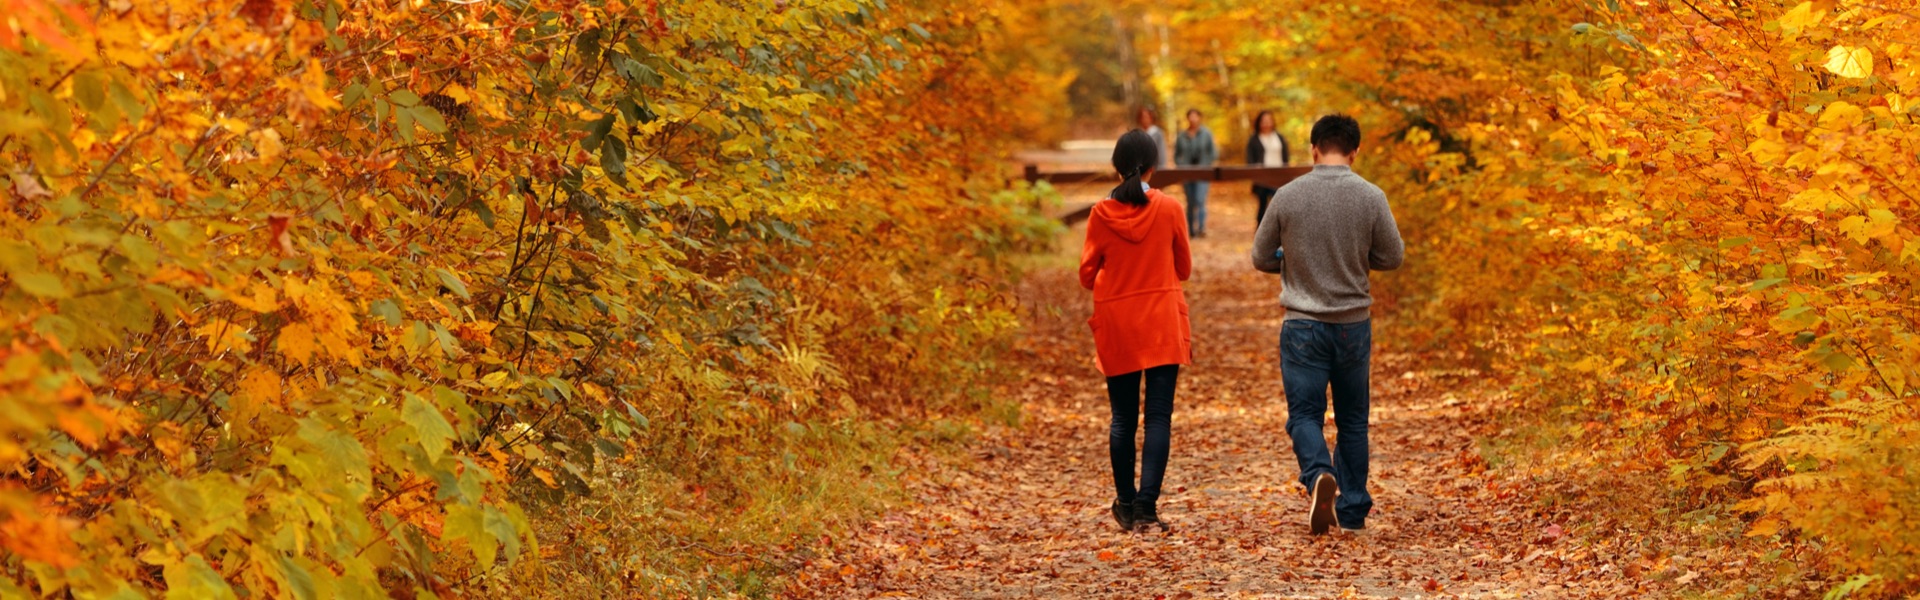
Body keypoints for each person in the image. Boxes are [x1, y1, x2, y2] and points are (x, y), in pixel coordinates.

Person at [1248, 114, 1403, 535]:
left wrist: (1290, 258)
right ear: (1355, 151)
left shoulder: (1287, 196)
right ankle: (1352, 512)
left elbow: (1261, 256)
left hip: (1302, 326)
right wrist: (1355, 258)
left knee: (1304, 416)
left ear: (1313, 148)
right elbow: (1392, 256)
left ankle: (1318, 475)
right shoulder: (1371, 196)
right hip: (1354, 325)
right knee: (1353, 420)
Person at [1079, 129, 1193, 533]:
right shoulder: (1170, 208)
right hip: (1161, 318)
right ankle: (1147, 508)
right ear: (1153, 167)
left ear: (1115, 166)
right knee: (1158, 417)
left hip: (1119, 323)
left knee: (1123, 418)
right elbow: (1183, 269)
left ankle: (1125, 504)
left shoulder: (1099, 213)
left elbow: (1087, 274)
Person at [1172, 109, 1217, 238]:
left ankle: (1201, 228)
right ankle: (1190, 229)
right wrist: (1180, 165)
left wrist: (1206, 164)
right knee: (1190, 201)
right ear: (1187, 118)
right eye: (1190, 117)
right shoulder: (1182, 136)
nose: (1193, 119)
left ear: (1199, 118)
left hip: (1203, 172)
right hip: (1186, 172)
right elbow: (1176, 155)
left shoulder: (1206, 134)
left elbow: (1213, 152)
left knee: (1200, 199)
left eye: (1195, 116)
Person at [1244, 110, 1290, 226]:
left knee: (1278, 206)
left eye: (1269, 121)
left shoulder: (1279, 137)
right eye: (1264, 121)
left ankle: (1278, 233)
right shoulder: (1254, 139)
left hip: (1279, 177)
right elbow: (1249, 159)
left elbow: (1285, 156)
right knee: (1262, 207)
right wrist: (1256, 171)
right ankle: (1260, 234)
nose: (1266, 124)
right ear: (1259, 122)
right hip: (1262, 179)